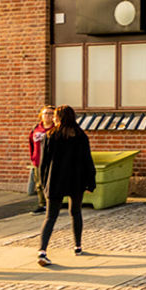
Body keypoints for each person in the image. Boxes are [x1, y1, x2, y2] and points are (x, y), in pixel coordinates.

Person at [37, 105, 96, 266]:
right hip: (76, 180)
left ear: (59, 118)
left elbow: (43, 163)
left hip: (55, 180)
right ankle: (78, 246)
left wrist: (43, 182)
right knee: (75, 212)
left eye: (55, 116)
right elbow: (87, 161)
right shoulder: (81, 136)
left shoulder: (50, 136)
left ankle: (42, 251)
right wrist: (90, 182)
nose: (53, 118)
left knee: (50, 217)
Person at [28, 106, 55, 215]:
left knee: (51, 184)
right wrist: (33, 157)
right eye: (45, 113)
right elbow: (31, 143)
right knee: (39, 184)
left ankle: (52, 205)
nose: (47, 115)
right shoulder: (36, 128)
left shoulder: (55, 129)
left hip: (51, 161)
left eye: (50, 113)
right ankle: (42, 204)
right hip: (38, 161)